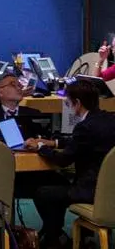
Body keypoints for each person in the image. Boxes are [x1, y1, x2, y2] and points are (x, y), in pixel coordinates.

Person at [34, 79, 115, 248]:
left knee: (43, 193)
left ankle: (54, 237)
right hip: (110, 191)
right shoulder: (109, 119)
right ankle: (79, 237)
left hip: (90, 191)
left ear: (77, 103)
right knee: (59, 186)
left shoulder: (84, 127)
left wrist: (41, 147)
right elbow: (83, 142)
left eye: (69, 103)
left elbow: (64, 160)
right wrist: (55, 143)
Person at [0, 73, 42, 140]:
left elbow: (42, 139)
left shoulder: (33, 114)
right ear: (0, 92)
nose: (19, 88)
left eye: (19, 85)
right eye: (13, 85)